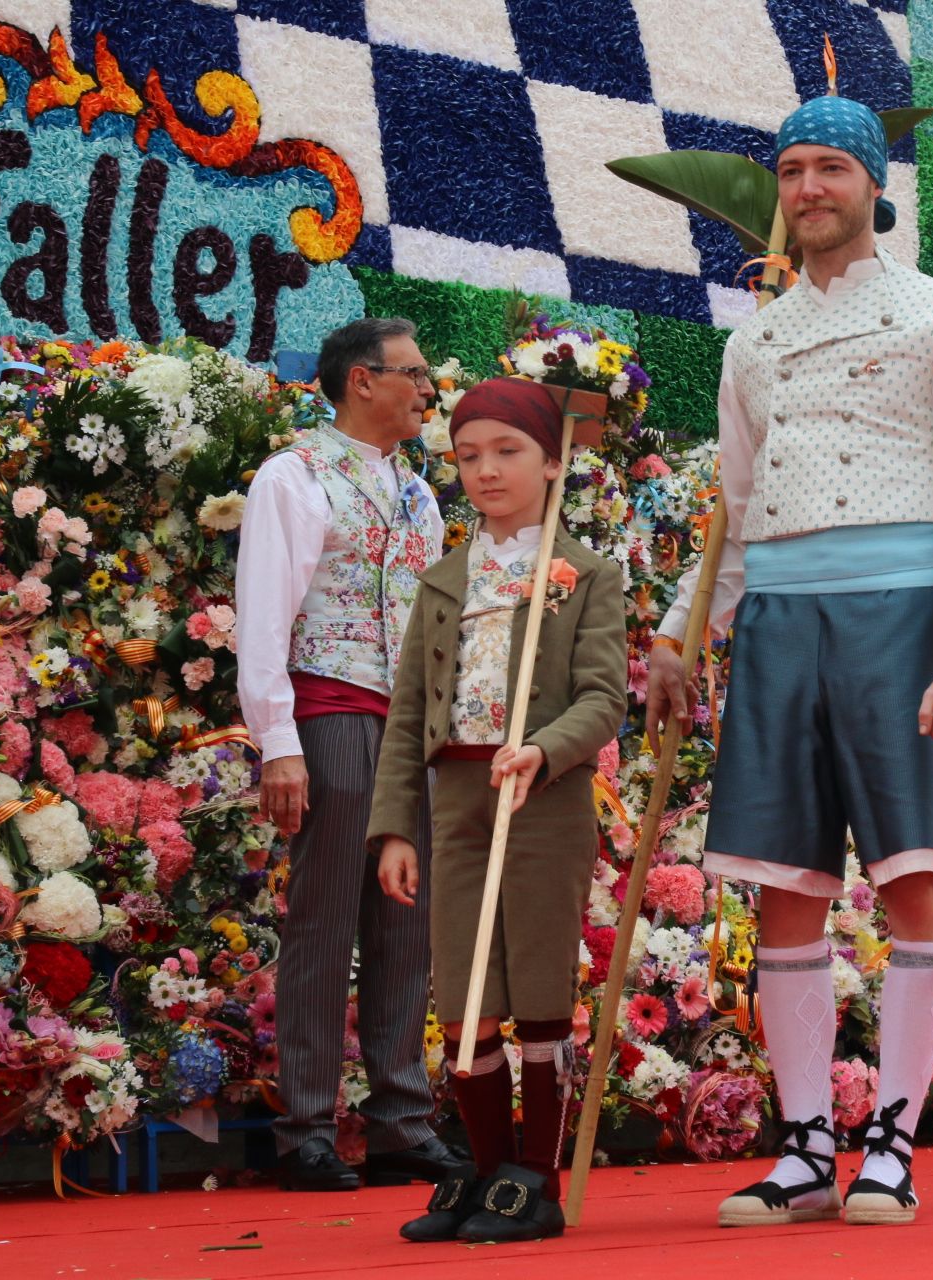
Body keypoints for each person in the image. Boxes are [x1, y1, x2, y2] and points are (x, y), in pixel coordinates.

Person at [646, 93, 933, 1228]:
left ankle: (894, 1146)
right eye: (793, 169)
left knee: (913, 879)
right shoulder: (751, 337)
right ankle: (808, 1142)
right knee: (785, 893)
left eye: (830, 169)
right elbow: (737, 507)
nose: (808, 188)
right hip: (777, 626)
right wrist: (681, 631)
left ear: (873, 186)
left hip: (901, 617)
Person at [367, 377, 627, 1244]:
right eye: (468, 456)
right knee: (463, 990)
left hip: (542, 798)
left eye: (507, 452)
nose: (485, 471)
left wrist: (545, 748)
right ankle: (483, 1169)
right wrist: (397, 826)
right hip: (459, 799)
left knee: (539, 985)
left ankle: (535, 1181)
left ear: (554, 463)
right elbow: (408, 716)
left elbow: (604, 699)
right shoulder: (443, 580)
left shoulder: (586, 575)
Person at [235, 317, 458, 1191]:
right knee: (326, 917)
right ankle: (305, 1127)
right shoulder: (293, 477)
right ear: (361, 381)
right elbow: (264, 617)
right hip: (327, 707)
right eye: (413, 374)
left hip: (411, 725)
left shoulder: (419, 494)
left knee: (409, 922)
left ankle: (402, 1118)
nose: (425, 390)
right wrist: (277, 742)